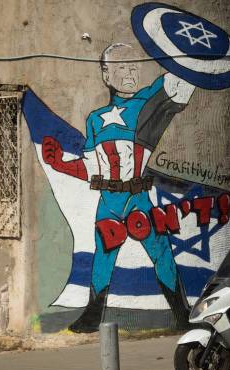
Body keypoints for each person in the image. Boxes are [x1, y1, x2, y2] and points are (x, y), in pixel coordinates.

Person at [41, 43, 196, 332]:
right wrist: (60, 163)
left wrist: (190, 51)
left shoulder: (149, 101)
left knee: (160, 252)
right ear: (105, 73)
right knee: (103, 256)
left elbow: (179, 84)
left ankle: (181, 313)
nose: (129, 72)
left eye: (134, 66)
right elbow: (92, 167)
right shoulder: (95, 119)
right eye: (121, 66)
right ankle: (92, 315)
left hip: (139, 198)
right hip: (108, 199)